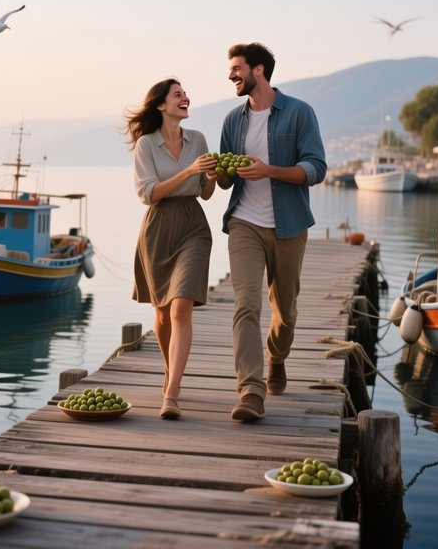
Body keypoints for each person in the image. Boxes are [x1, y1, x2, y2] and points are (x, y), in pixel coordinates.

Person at [214, 43, 326, 421]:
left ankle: (277, 357)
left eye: (236, 68)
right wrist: (220, 172)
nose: (231, 75)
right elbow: (228, 180)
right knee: (246, 304)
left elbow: (316, 168)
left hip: (288, 225)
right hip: (244, 223)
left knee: (286, 311)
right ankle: (251, 392)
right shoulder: (233, 120)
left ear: (258, 70)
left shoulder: (299, 113)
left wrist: (270, 171)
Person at [124, 78, 217, 420]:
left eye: (185, 93)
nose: (185, 98)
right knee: (162, 312)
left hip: (193, 224)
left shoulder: (200, 140)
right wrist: (191, 170)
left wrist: (215, 176)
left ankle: (172, 393)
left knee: (180, 308)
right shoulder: (146, 145)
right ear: (162, 105)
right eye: (178, 94)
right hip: (158, 228)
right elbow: (148, 193)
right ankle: (170, 372)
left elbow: (205, 193)